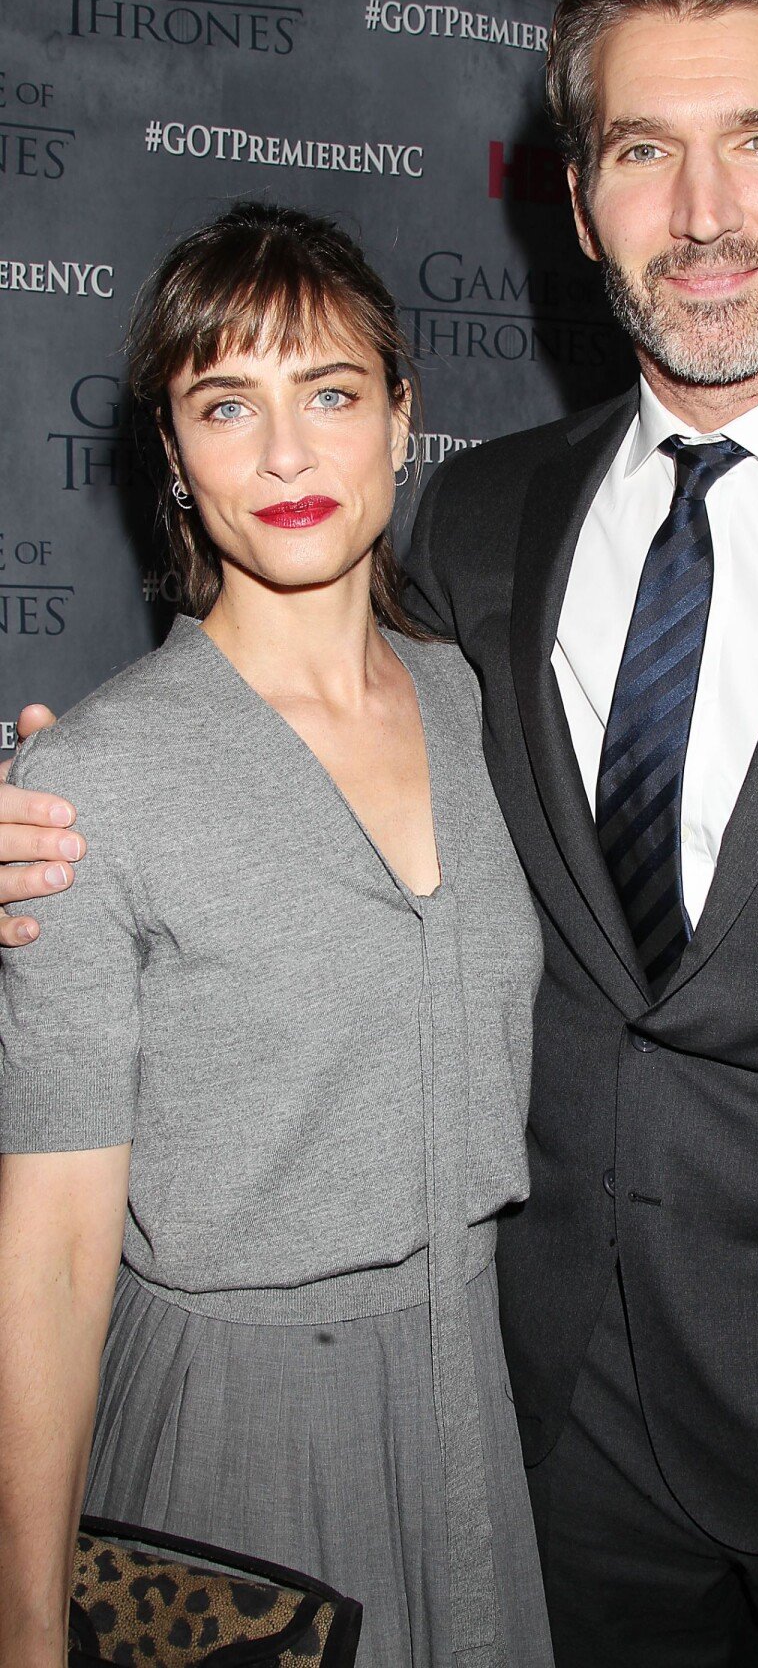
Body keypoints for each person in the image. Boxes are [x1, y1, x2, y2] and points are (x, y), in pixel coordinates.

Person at [0, 0, 758, 1668]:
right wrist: (70, 794)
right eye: (641, 151)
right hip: (544, 1426)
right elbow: (292, 727)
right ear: (580, 203)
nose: (703, 215)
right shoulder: (479, 519)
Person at [0, 204, 554, 1668]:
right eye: (228, 405)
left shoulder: (488, 710)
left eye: (332, 394)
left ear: (403, 418)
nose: (291, 455)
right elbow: (51, 1256)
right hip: (225, 1438)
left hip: (475, 1402)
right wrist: (26, 1628)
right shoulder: (85, 785)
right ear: (173, 458)